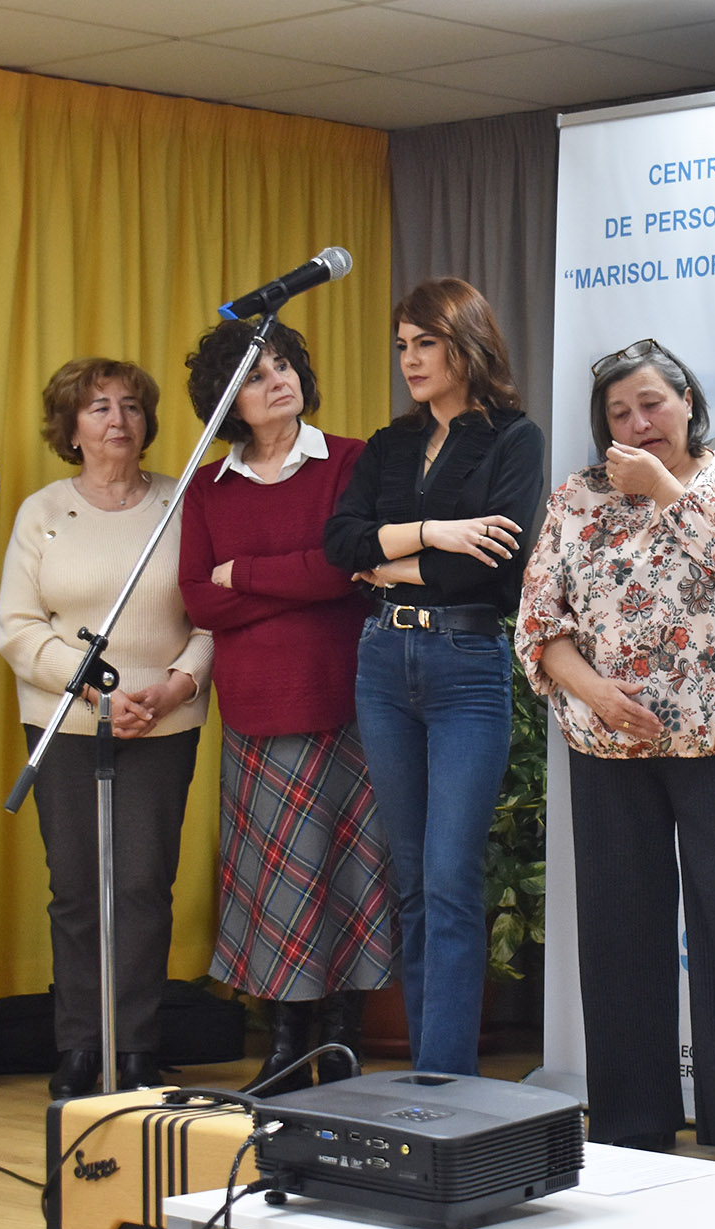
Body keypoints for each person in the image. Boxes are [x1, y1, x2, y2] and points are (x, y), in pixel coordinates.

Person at [514, 338, 715, 1171]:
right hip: (607, 740)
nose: (639, 422)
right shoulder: (577, 497)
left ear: (688, 402)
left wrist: (664, 488)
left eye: (652, 403)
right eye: (619, 413)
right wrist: (598, 693)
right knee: (620, 930)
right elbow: (539, 623)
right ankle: (632, 1120)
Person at [323, 278, 543, 1076]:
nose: (410, 360)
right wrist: (435, 533)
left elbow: (494, 568)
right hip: (383, 662)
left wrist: (391, 563)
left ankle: (449, 1082)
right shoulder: (388, 445)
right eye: (402, 346)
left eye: (427, 343)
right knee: (411, 881)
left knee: (450, 876)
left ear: (467, 343)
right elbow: (340, 543)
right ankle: (427, 1070)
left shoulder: (514, 438)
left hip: (466, 663)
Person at [178, 320, 396, 1092]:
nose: (279, 380)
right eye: (256, 373)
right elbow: (197, 596)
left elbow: (344, 569)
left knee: (350, 873)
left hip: (344, 700)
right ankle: (284, 1044)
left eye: (284, 364)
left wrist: (244, 574)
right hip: (255, 710)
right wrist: (287, 578)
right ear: (226, 401)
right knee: (274, 885)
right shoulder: (207, 487)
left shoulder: (350, 461)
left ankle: (340, 1039)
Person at [0, 359, 214, 1098]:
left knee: (144, 886)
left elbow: (214, 617)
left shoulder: (183, 505)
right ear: (70, 427)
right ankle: (81, 1044)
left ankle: (137, 1046)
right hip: (63, 724)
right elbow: (18, 629)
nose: (117, 419)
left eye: (130, 405)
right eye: (98, 407)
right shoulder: (43, 513)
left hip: (164, 720)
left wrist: (178, 684)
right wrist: (95, 690)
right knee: (76, 889)